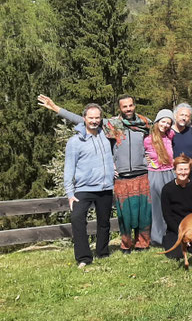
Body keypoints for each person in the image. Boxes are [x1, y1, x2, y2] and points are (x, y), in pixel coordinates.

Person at [39, 94, 152, 253]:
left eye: (130, 105)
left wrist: (150, 158)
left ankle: (138, 245)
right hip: (120, 177)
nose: (128, 109)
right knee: (124, 214)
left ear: (134, 105)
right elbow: (81, 120)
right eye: (124, 106)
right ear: (119, 108)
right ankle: (124, 245)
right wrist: (56, 108)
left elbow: (156, 141)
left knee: (142, 212)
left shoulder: (146, 124)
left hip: (140, 174)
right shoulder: (111, 125)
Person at [63, 103, 114, 267]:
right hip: (83, 189)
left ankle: (102, 252)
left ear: (101, 118)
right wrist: (70, 193)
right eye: (91, 117)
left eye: (97, 117)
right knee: (77, 219)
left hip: (105, 187)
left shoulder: (106, 135)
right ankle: (84, 257)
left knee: (104, 222)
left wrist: (113, 169)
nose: (94, 121)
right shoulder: (75, 142)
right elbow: (69, 168)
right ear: (84, 118)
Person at [160, 156, 192, 259]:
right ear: (175, 170)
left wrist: (191, 232)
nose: (183, 172)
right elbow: (167, 216)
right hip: (176, 228)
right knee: (175, 255)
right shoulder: (167, 189)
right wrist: (182, 233)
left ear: (189, 170)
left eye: (186, 169)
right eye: (180, 169)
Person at [145, 109, 175, 245]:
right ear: (157, 122)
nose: (165, 125)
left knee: (169, 205)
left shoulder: (170, 136)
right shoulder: (148, 139)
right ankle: (157, 237)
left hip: (170, 173)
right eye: (163, 121)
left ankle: (171, 233)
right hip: (155, 174)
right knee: (156, 206)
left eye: (168, 123)